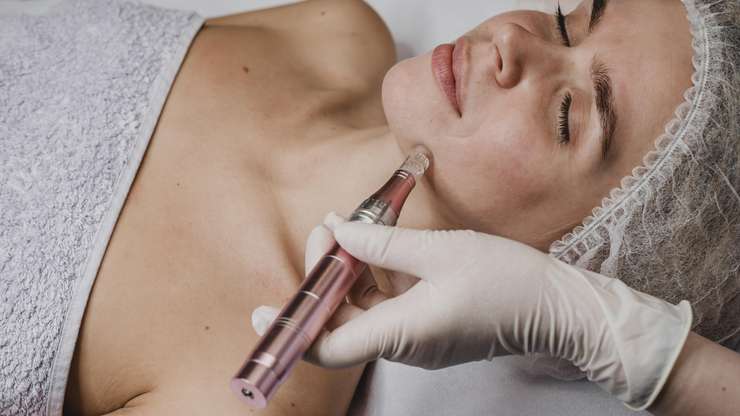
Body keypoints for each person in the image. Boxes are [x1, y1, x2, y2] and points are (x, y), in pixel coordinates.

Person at [0, 1, 735, 416]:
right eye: (570, 20)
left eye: (569, 114)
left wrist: (640, 349)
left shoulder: (249, 391)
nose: (514, 39)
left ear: (582, 256)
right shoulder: (337, 29)